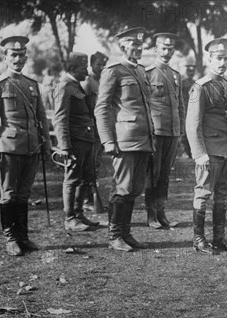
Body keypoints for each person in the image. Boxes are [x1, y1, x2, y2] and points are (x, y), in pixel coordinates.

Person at [0, 36, 50, 256]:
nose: (18, 59)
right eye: (13, 55)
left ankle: (23, 236)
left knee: (24, 194)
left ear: (26, 57)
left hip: (32, 147)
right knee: (9, 195)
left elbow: (42, 118)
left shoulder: (32, 85)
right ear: (5, 57)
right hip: (9, 148)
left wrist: (46, 146)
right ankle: (11, 239)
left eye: (21, 55)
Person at [94, 27, 155, 252]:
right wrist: (107, 140)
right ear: (122, 47)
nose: (138, 49)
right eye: (134, 45)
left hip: (143, 139)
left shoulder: (140, 71)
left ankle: (126, 233)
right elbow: (102, 108)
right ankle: (114, 236)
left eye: (140, 45)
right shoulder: (113, 71)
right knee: (122, 187)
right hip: (124, 140)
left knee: (135, 188)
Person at [186, 38, 227, 254]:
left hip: (225, 149)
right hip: (209, 151)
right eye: (218, 58)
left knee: (222, 194)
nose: (223, 62)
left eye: (226, 58)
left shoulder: (226, 86)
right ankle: (198, 240)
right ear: (209, 59)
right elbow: (192, 125)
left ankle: (219, 238)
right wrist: (199, 154)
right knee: (203, 192)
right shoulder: (201, 88)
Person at [53, 52, 100, 231]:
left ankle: (79, 214)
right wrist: (64, 146)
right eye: (83, 68)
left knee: (86, 178)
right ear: (72, 68)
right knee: (72, 179)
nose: (87, 72)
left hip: (86, 139)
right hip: (75, 142)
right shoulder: (63, 86)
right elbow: (59, 118)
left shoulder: (76, 85)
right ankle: (69, 218)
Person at [145, 33, 185, 229]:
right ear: (155, 49)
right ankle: (151, 215)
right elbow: (144, 104)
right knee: (153, 173)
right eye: (163, 48)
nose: (167, 52)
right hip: (156, 131)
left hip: (173, 131)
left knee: (165, 175)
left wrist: (182, 128)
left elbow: (180, 105)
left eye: (170, 49)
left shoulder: (176, 74)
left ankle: (162, 213)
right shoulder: (147, 73)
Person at [81, 51, 109, 212]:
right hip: (90, 128)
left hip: (100, 129)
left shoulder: (103, 80)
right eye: (99, 64)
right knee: (89, 165)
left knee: (96, 164)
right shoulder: (87, 82)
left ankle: (91, 198)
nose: (102, 67)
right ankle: (87, 199)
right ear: (92, 65)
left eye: (104, 64)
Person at [180, 61, 196, 158]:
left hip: (193, 111)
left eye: (192, 71)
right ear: (186, 71)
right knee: (184, 133)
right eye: (189, 71)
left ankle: (191, 152)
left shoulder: (196, 83)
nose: (191, 73)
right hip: (184, 110)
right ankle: (185, 151)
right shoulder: (182, 84)